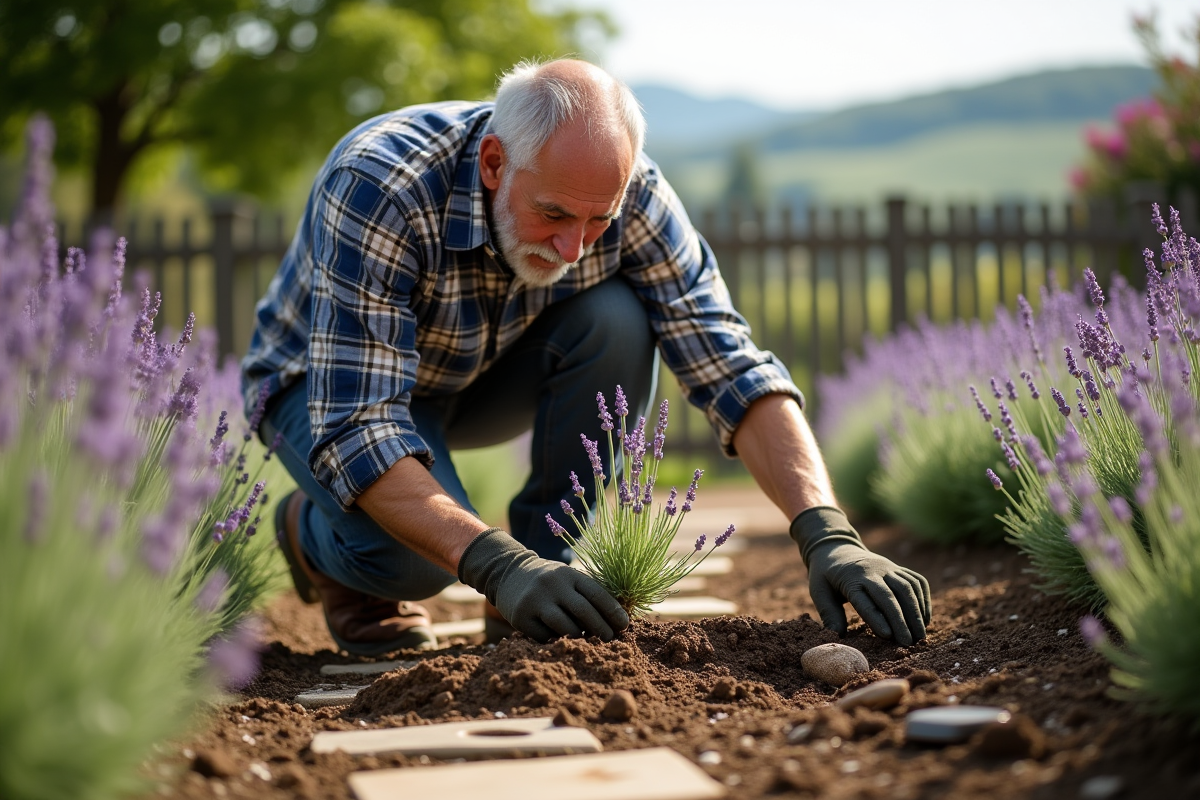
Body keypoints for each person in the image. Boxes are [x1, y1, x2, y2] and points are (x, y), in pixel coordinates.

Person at [242, 58, 931, 655]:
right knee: (411, 562)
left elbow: (727, 360)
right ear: (493, 164)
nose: (575, 247)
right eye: (553, 215)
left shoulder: (627, 196)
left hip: (479, 373)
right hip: (326, 388)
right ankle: (315, 541)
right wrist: (493, 563)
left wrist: (827, 531)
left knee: (618, 318)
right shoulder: (381, 182)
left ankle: (545, 575)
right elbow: (359, 427)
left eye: (596, 221)